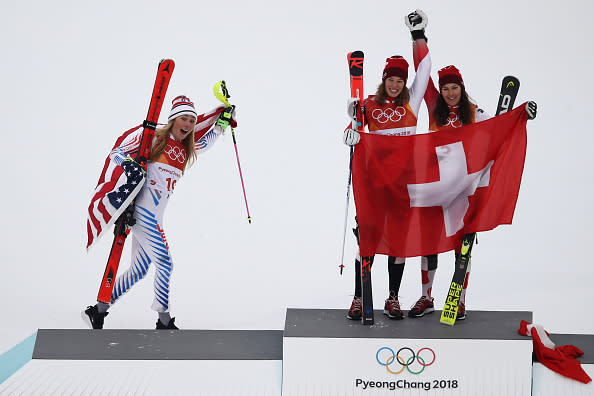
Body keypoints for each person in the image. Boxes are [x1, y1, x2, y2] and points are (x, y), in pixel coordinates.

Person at [406, 24, 538, 320]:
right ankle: (426, 296)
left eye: (455, 87)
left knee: (460, 247)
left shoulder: (476, 113)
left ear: (462, 88)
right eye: (446, 88)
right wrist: (418, 37)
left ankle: (459, 299)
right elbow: (422, 70)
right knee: (429, 243)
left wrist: (523, 114)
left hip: (463, 191)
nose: (450, 92)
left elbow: (500, 128)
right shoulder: (433, 106)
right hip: (436, 186)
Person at [82, 94, 236, 330]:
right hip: (142, 213)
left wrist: (222, 124)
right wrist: (129, 166)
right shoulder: (153, 139)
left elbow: (205, 143)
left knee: (139, 270)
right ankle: (163, 319)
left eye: (192, 121)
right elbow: (117, 152)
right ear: (173, 120)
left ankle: (98, 310)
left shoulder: (185, 149)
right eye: (184, 118)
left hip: (156, 218)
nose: (188, 124)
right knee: (165, 263)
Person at [343, 9, 431, 321]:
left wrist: (418, 36)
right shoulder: (368, 104)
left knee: (398, 243)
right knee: (366, 239)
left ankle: (392, 298)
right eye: (390, 80)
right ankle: (358, 297)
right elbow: (352, 131)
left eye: (399, 80)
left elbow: (425, 71)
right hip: (374, 184)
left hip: (404, 185)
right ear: (383, 80)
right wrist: (351, 133)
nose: (395, 85)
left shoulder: (412, 103)